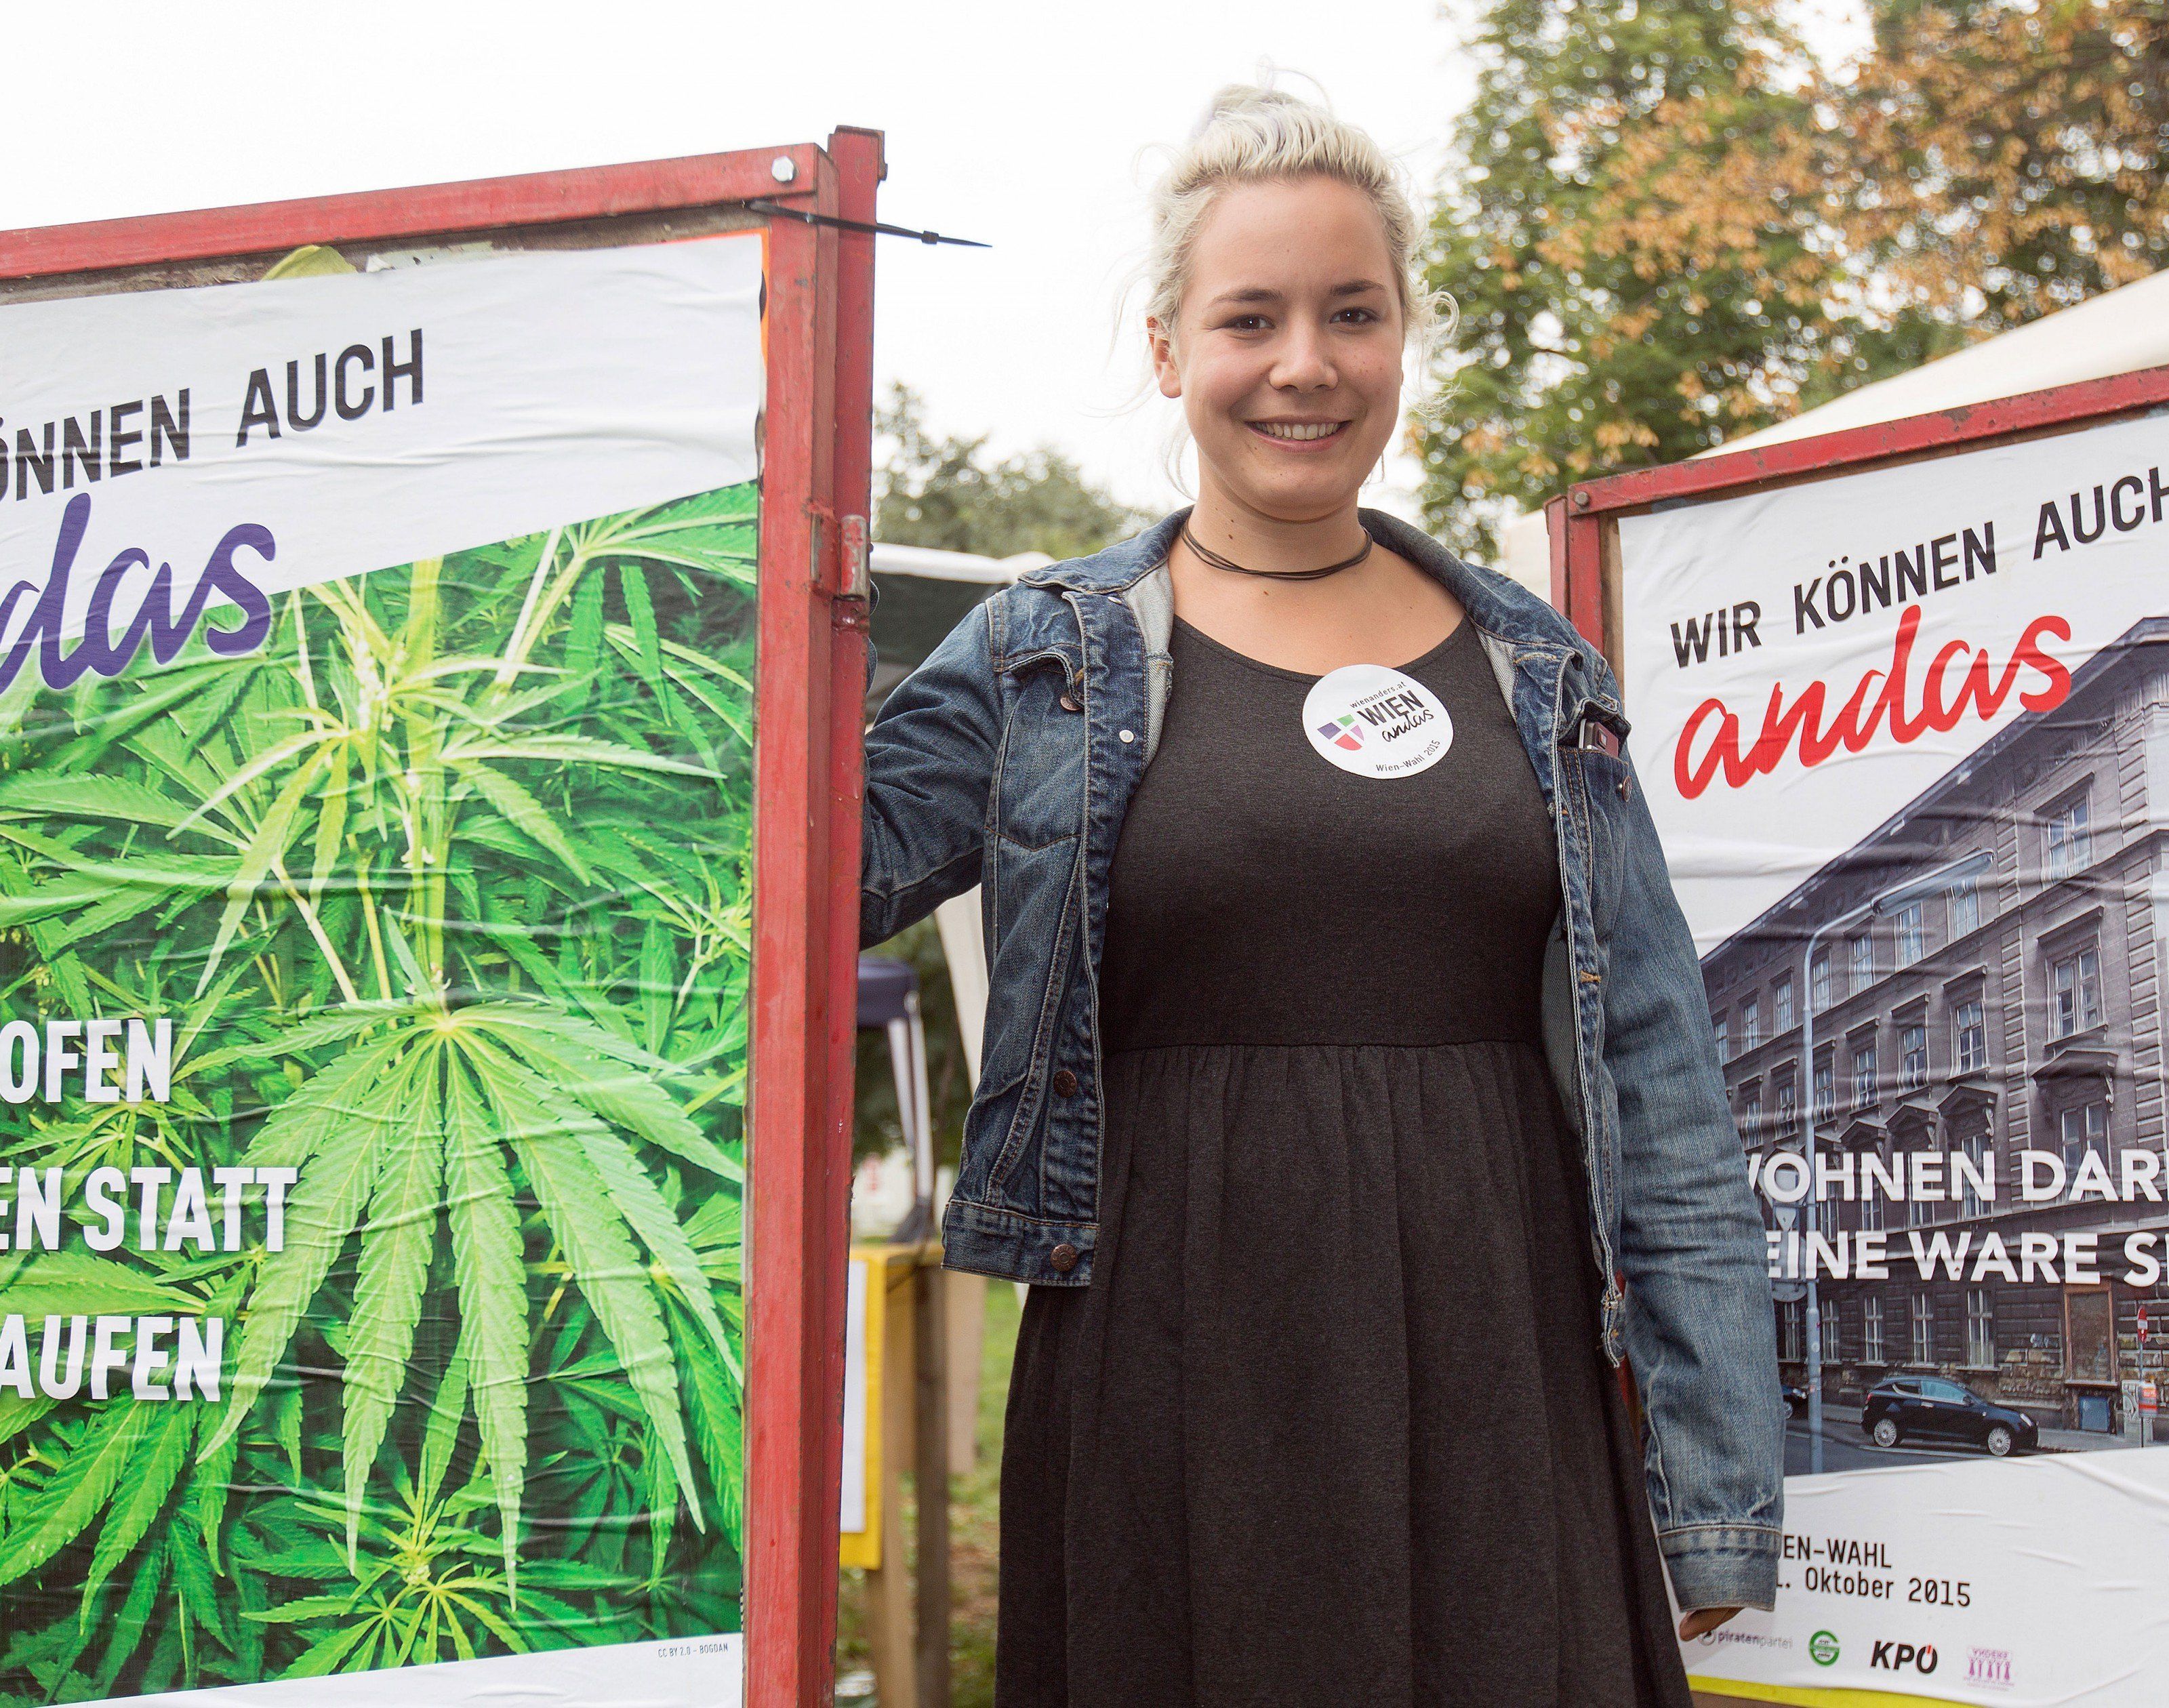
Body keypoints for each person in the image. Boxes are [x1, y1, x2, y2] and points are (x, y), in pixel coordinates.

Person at [858, 81, 1783, 1708]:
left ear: (1402, 337)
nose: (1305, 363)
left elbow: (1663, 1082)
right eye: (1251, 318)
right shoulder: (1041, 658)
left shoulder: (1535, 669)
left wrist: (1711, 1500)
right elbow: (784, 879)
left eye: (1352, 313)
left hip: (1499, 1355)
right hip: (1169, 1353)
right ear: (1167, 350)